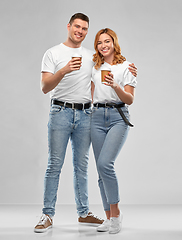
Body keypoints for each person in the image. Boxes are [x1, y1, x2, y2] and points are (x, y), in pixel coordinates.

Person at [34, 13, 137, 233]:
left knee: (83, 166)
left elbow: (113, 64)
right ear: (69, 26)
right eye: (77, 27)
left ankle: (84, 213)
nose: (80, 31)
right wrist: (64, 70)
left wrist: (130, 69)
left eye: (84, 29)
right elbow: (44, 87)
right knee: (55, 165)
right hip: (60, 111)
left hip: (86, 115)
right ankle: (47, 214)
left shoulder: (93, 57)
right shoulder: (53, 53)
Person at [91, 28, 137, 234]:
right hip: (97, 117)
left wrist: (116, 85)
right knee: (101, 171)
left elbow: (130, 99)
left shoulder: (127, 66)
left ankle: (116, 214)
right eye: (99, 42)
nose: (103, 45)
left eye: (107, 41)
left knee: (105, 163)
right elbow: (90, 93)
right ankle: (108, 218)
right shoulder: (93, 66)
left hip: (118, 116)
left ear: (114, 42)